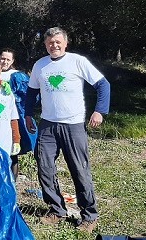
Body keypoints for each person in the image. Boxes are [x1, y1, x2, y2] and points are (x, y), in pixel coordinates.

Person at [24, 27, 110, 234]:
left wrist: (99, 111)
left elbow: (103, 84)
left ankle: (89, 215)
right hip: (47, 124)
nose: (54, 45)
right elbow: (31, 92)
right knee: (44, 167)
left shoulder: (77, 61)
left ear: (65, 42)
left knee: (79, 170)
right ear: (45, 45)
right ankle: (57, 209)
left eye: (57, 42)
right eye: (50, 42)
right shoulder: (40, 66)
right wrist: (27, 114)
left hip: (73, 125)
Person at [0, 48, 36, 180]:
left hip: (12, 117)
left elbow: (28, 96)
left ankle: (12, 182)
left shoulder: (17, 76)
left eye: (8, 59)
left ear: (12, 61)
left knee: (12, 149)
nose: (5, 61)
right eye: (3, 58)